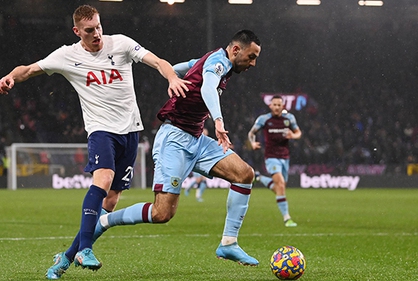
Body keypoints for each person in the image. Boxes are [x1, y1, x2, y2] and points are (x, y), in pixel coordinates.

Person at [0, 5, 189, 280]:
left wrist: (171, 76)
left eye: (98, 26)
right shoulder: (66, 55)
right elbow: (28, 69)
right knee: (104, 177)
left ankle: (66, 257)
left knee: (111, 200)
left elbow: (157, 61)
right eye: (89, 30)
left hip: (131, 131)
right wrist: (10, 78)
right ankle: (85, 248)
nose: (97, 33)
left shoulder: (120, 44)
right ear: (77, 31)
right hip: (100, 130)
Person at [92, 30, 262, 269]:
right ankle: (104, 221)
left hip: (196, 138)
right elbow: (207, 88)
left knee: (244, 175)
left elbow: (182, 68)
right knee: (162, 214)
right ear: (236, 50)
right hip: (174, 139)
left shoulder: (211, 60)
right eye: (251, 56)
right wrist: (219, 122)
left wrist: (175, 78)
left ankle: (229, 243)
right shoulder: (218, 61)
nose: (253, 63)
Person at [248, 95, 302, 227]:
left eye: (279, 105)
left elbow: (298, 132)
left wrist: (293, 135)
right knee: (281, 185)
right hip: (271, 157)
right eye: (275, 105)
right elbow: (251, 133)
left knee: (279, 188)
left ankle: (259, 177)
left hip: (285, 157)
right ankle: (287, 218)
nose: (277, 107)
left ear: (282, 106)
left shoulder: (289, 118)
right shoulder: (264, 119)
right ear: (270, 106)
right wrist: (253, 143)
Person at [185, 128, 209, 202]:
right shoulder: (196, 141)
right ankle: (189, 189)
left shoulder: (206, 142)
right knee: (199, 180)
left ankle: (198, 196)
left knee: (203, 181)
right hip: (195, 162)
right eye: (204, 133)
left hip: (203, 162)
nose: (205, 134)